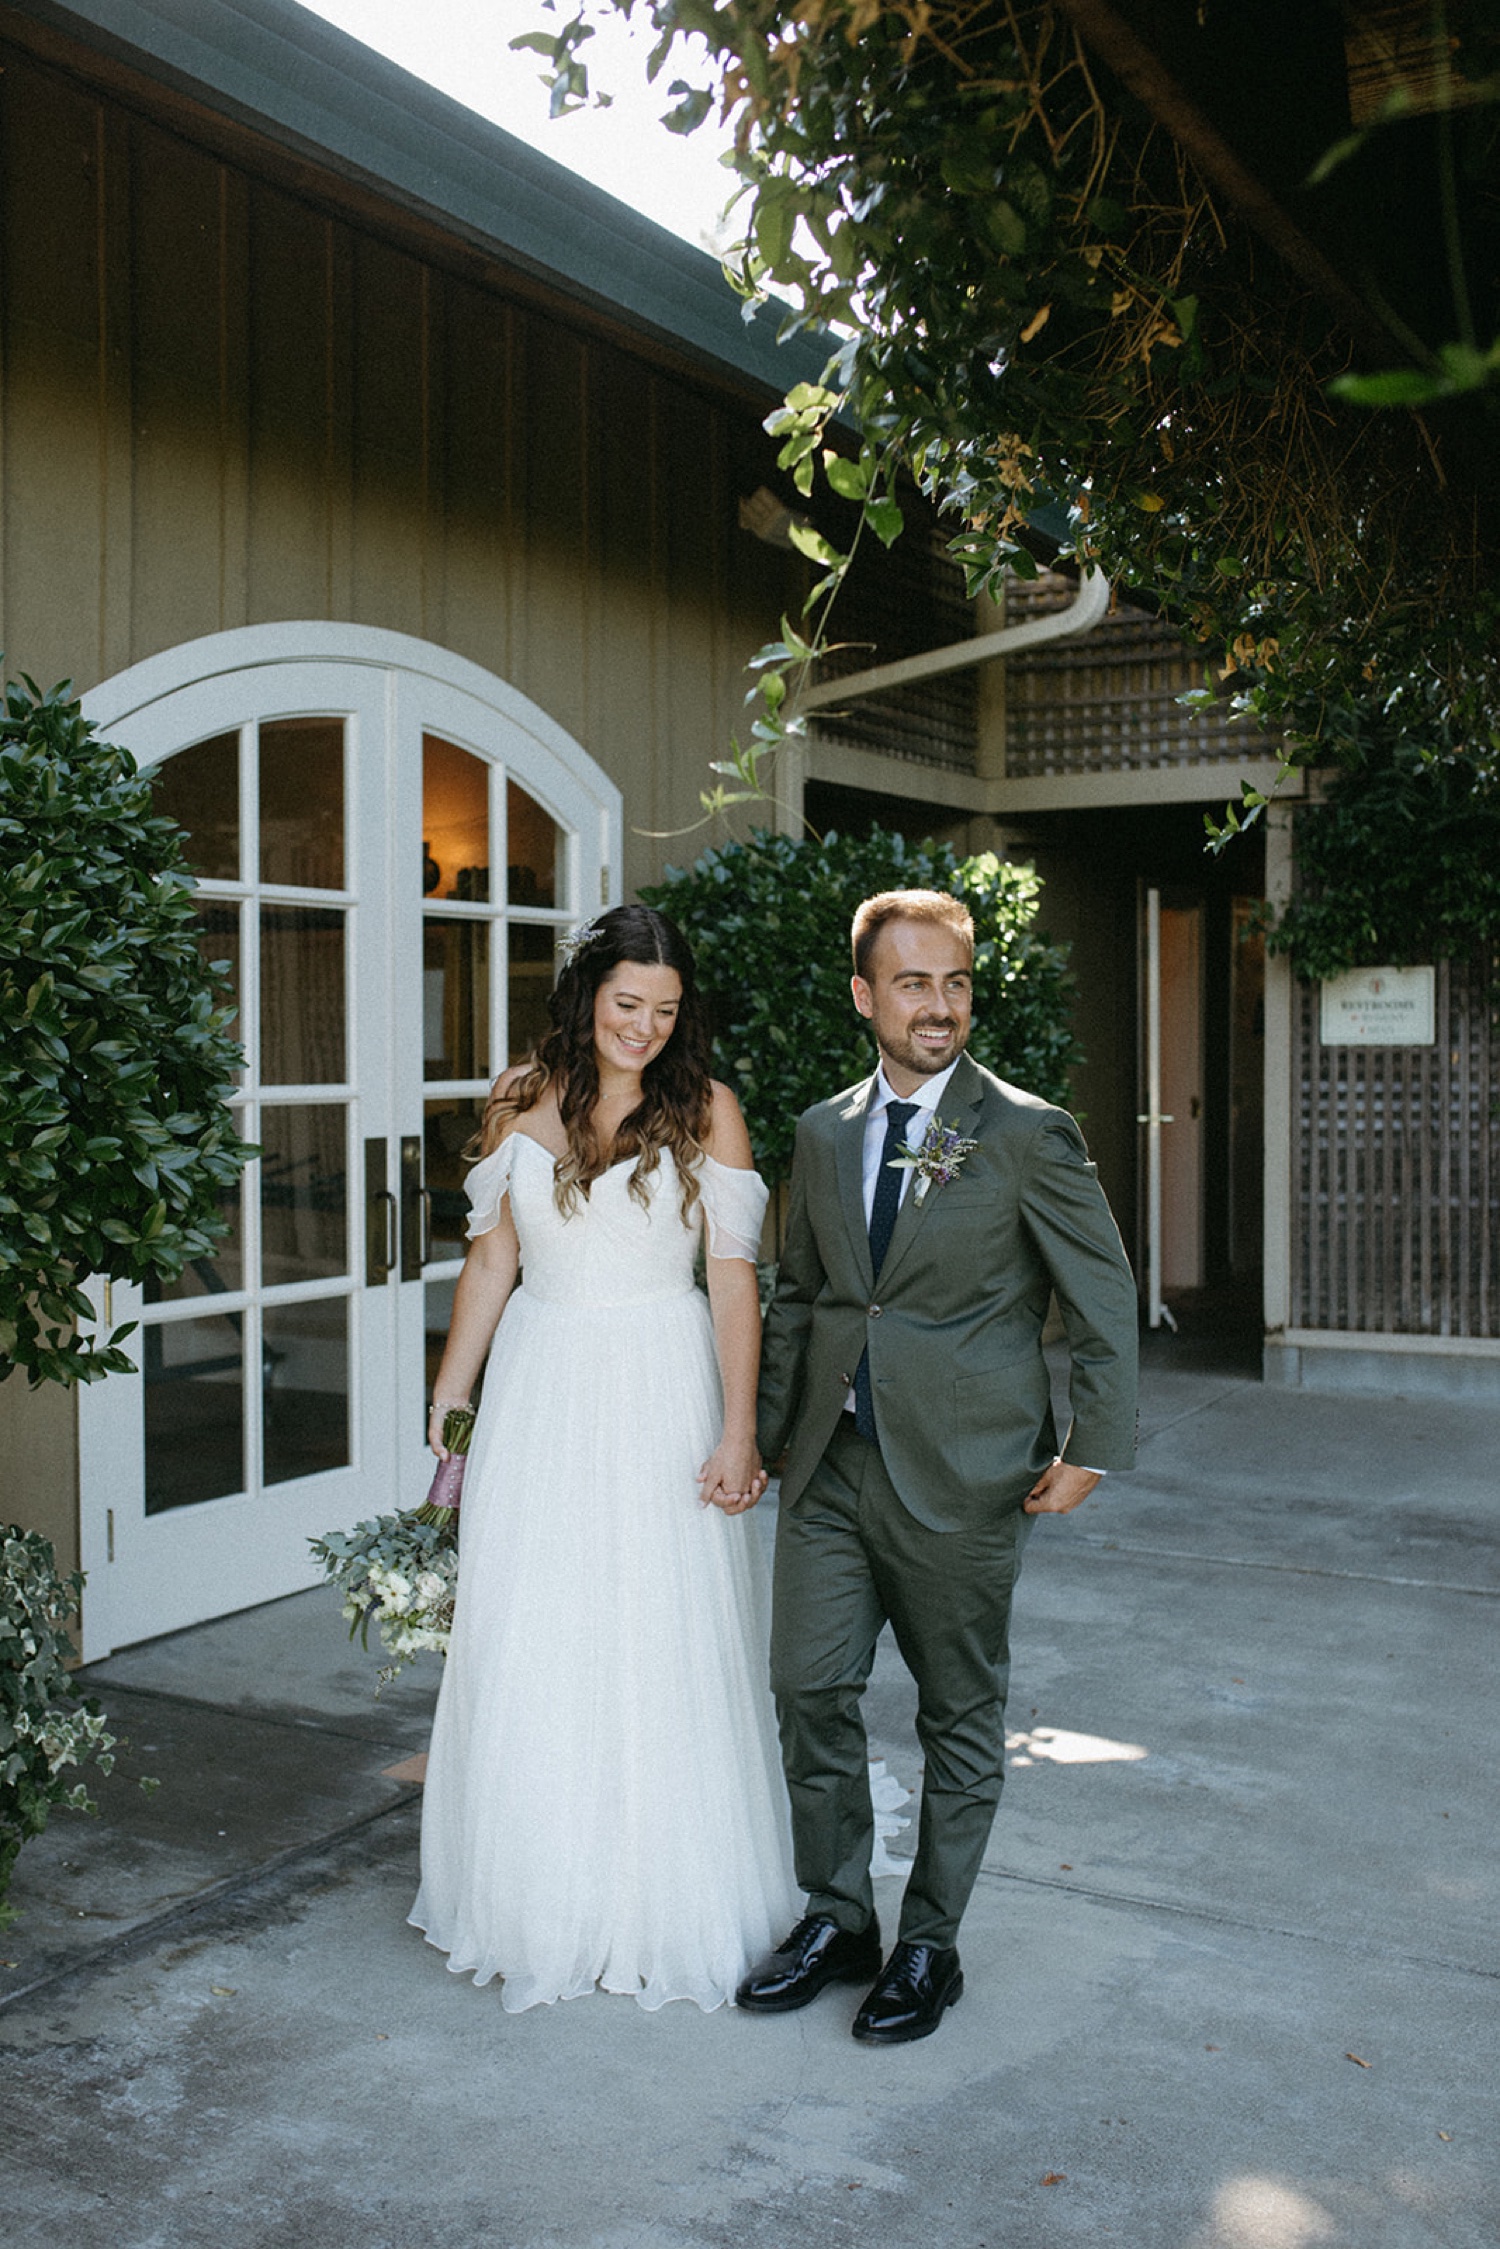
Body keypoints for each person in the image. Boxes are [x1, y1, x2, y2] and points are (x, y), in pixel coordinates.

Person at [740, 888, 1138, 2043]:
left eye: (955, 981)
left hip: (965, 1475)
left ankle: (927, 1942)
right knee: (807, 1687)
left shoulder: (1023, 1130)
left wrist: (1091, 1446)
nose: (939, 1005)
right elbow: (807, 1295)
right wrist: (770, 1438)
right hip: (831, 1466)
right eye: (913, 982)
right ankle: (838, 1915)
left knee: (960, 1712)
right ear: (865, 996)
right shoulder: (820, 1131)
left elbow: (1102, 1295)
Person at [410, 903, 799, 2012]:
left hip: (660, 1384)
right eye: (628, 1002)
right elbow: (492, 1262)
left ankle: (658, 1893)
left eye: (666, 1011)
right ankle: (538, 1889)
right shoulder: (515, 1096)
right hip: (540, 1384)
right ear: (586, 993)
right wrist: (454, 1382)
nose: (644, 1027)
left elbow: (733, 1277)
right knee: (538, 1623)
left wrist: (737, 1427)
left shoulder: (708, 1109)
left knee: (655, 1625)